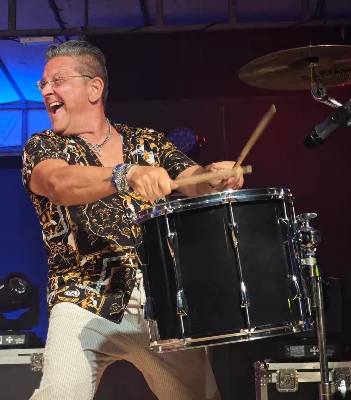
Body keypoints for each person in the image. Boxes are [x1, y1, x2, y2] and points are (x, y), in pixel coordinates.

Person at [22, 40, 244, 400]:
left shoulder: (148, 142)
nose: (46, 90)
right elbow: (58, 184)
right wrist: (124, 174)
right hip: (82, 298)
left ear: (94, 88)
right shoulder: (44, 146)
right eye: (43, 84)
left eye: (57, 81)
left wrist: (218, 178)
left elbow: (195, 182)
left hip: (161, 302)